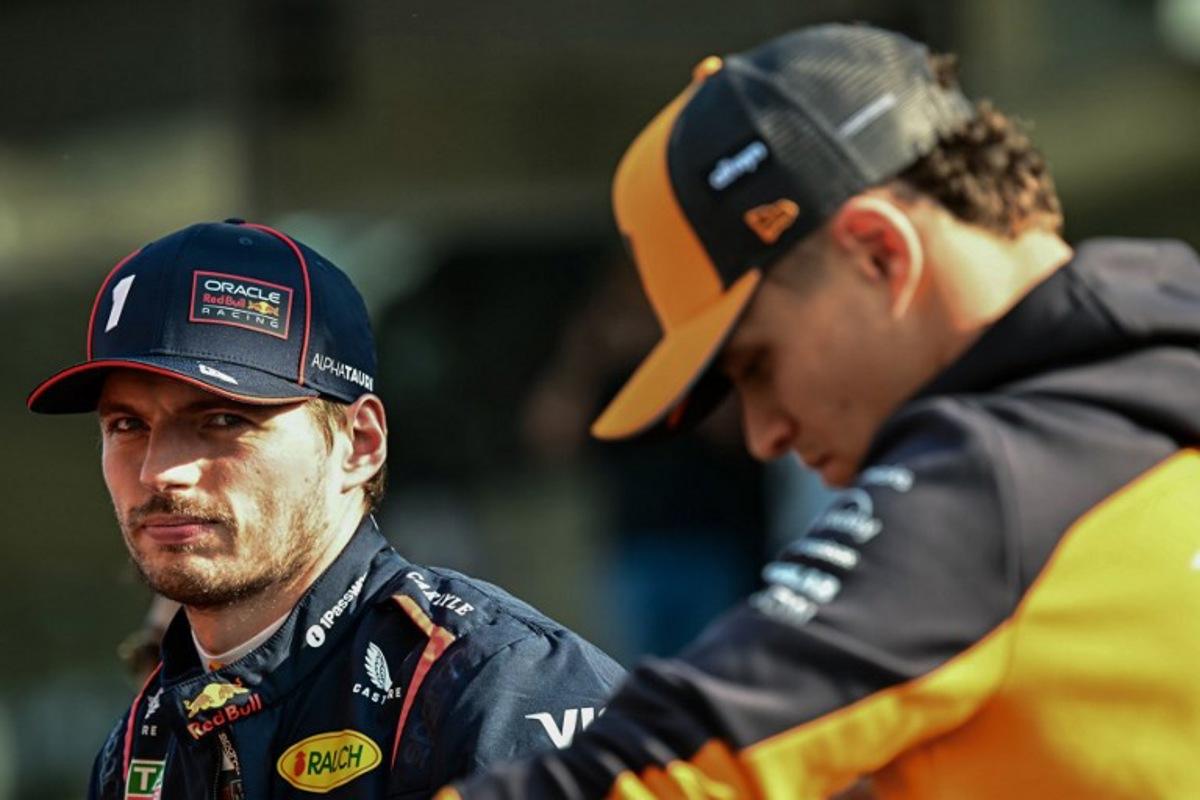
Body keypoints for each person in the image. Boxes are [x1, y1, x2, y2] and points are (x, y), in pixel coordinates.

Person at [441, 23, 1200, 799]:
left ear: (879, 252)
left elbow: (648, 776)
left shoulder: (990, 487)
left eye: (757, 365)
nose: (767, 434)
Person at [27, 220, 623, 798]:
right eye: (128, 424)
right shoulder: (141, 741)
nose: (159, 470)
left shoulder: (500, 686)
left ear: (358, 444)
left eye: (223, 420)